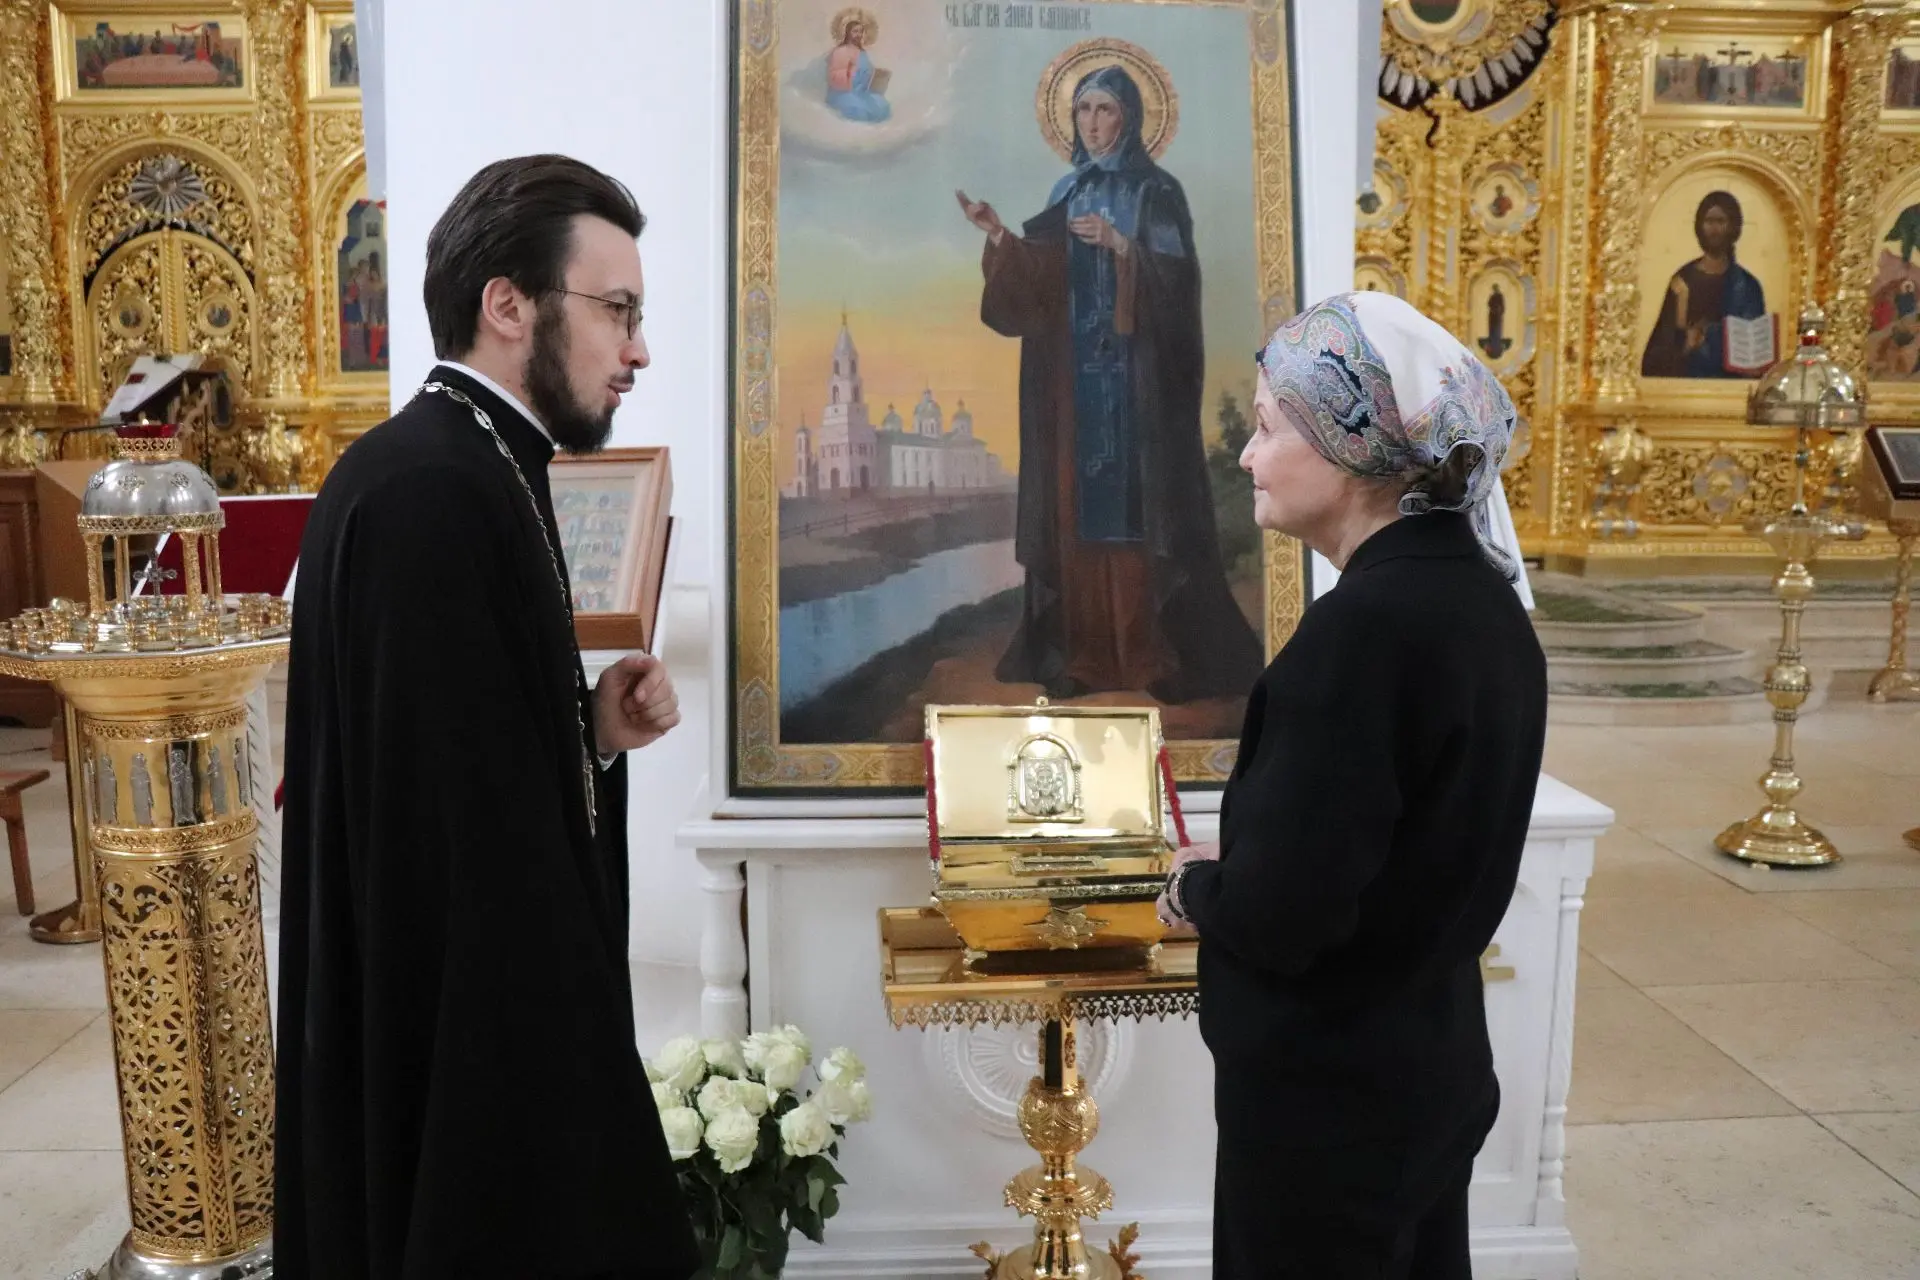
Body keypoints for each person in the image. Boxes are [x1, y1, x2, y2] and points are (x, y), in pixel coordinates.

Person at [276, 155, 700, 1280]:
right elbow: (450, 857)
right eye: (618, 311)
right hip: (468, 1050)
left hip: (475, 1015)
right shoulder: (432, 491)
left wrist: (590, 733)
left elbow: (467, 768)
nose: (638, 350)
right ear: (508, 304)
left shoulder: (474, 465)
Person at [1159, 292, 1546, 1279]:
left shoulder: (1365, 629)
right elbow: (1394, 847)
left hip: (1329, 1105)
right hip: (1427, 1060)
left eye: (1267, 426)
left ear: (1349, 442)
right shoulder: (1481, 598)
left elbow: (1287, 916)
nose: (1246, 455)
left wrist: (1195, 888)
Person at [955, 64, 1261, 703]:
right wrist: (1000, 236)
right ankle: (1087, 657)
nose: (1092, 124)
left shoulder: (1156, 192)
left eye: (1104, 110)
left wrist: (1123, 246)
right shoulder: (1067, 188)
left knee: (1140, 518)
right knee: (1076, 519)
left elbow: (1179, 284)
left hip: (1138, 390)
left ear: (1130, 118)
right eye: (1083, 111)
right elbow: (1040, 284)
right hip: (1074, 391)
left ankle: (1149, 657)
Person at [1640, 190, 1767, 378]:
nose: (1714, 229)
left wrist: (1712, 337)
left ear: (1733, 226)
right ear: (1700, 226)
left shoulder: (1746, 286)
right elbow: (1656, 355)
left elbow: (1755, 351)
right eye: (1709, 221)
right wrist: (1685, 342)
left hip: (1733, 387)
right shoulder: (1682, 283)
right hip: (1687, 385)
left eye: (1720, 221)